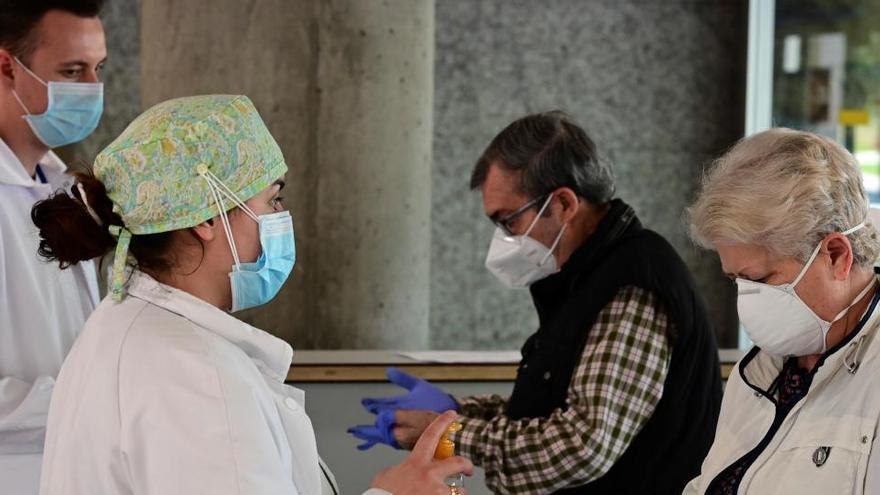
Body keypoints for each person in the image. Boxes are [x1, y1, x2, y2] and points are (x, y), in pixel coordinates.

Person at [31, 94, 472, 495]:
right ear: (205, 219)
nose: (282, 218)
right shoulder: (196, 374)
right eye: (272, 200)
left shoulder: (122, 324)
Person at [350, 111, 723, 494]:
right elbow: (552, 405)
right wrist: (455, 410)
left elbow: (583, 445)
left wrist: (453, 432)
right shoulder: (583, 278)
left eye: (508, 221)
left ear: (562, 204)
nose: (503, 239)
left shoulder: (635, 284)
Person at [683, 128, 880, 494]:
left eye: (761, 278)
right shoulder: (765, 370)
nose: (749, 300)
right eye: (736, 280)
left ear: (836, 255)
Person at [0, 1, 106, 492]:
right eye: (71, 71)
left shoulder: (64, 187)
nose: (91, 89)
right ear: (6, 66)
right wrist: (99, 399)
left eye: (97, 69)